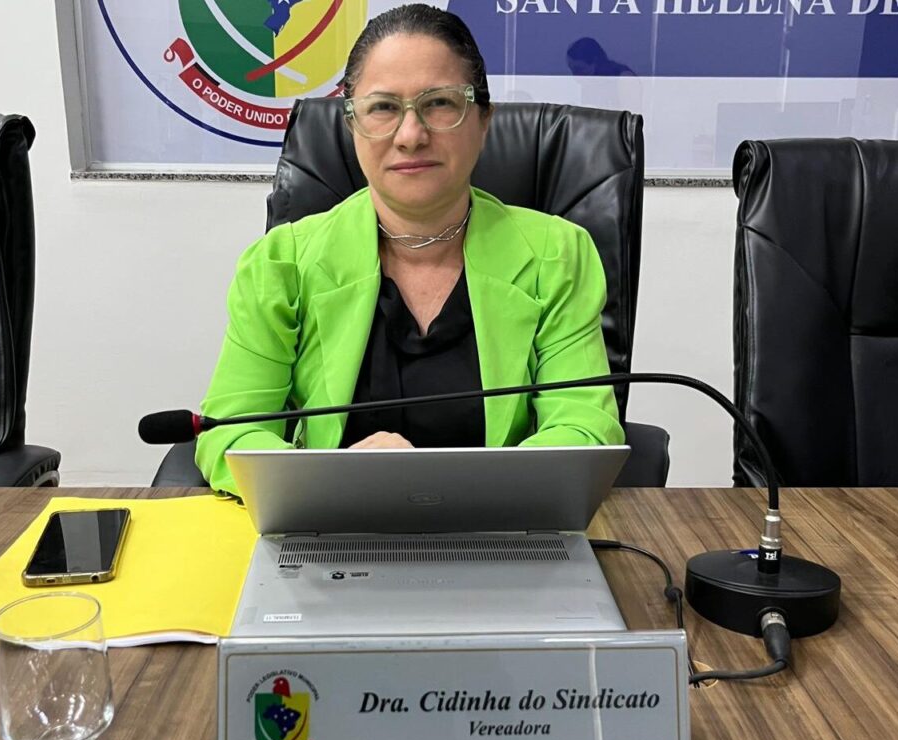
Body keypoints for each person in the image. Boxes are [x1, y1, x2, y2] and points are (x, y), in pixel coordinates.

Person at [196, 4, 624, 495]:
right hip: (332, 521)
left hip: (501, 522)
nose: (411, 136)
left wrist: (453, 490)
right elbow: (229, 435)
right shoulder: (281, 264)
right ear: (352, 125)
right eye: (382, 107)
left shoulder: (556, 255)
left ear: (484, 120)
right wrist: (331, 482)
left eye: (439, 103)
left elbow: (584, 432)